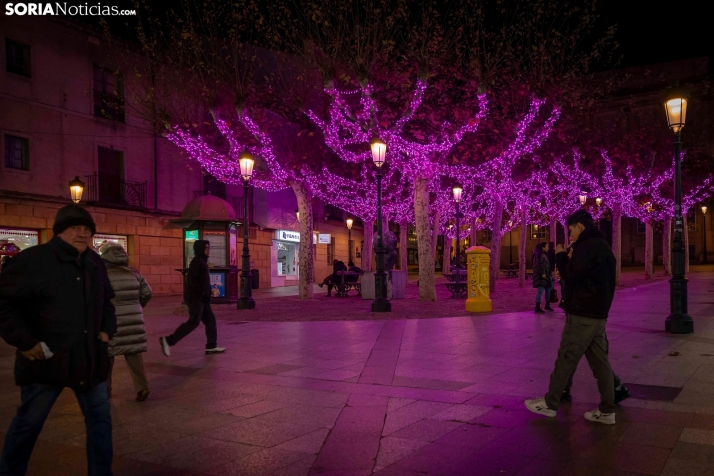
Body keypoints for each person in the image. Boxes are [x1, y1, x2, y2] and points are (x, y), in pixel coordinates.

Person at [0, 204, 116, 475]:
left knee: (100, 423)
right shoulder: (33, 260)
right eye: (75, 228)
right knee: (28, 423)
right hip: (46, 360)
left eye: (87, 229)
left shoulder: (94, 262)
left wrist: (106, 331)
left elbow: (108, 301)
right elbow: (4, 304)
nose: (82, 234)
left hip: (89, 359)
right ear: (60, 231)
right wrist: (26, 342)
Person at [525, 210, 619, 425]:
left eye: (571, 230)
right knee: (600, 363)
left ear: (579, 226)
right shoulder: (603, 246)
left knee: (566, 358)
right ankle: (606, 410)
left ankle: (550, 403)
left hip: (583, 313)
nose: (570, 236)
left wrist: (559, 255)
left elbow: (571, 276)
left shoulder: (587, 246)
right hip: (598, 313)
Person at [99, 242, 152, 403]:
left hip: (111, 321)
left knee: (107, 354)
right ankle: (142, 387)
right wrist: (137, 306)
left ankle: (105, 390)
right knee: (134, 353)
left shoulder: (102, 275)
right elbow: (147, 293)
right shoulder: (134, 273)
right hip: (133, 319)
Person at [159, 240, 226, 356]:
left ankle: (211, 346)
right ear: (200, 249)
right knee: (193, 322)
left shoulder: (202, 262)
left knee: (211, 321)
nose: (208, 250)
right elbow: (191, 281)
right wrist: (201, 294)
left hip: (203, 299)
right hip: (196, 299)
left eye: (209, 248)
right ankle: (168, 340)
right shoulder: (197, 262)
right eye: (206, 248)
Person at [532, 242, 554, 313]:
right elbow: (539, 264)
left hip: (546, 275)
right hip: (541, 276)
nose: (548, 247)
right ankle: (537, 307)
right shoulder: (540, 254)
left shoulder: (543, 254)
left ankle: (547, 305)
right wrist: (543, 273)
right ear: (543, 247)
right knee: (540, 291)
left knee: (548, 290)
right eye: (547, 246)